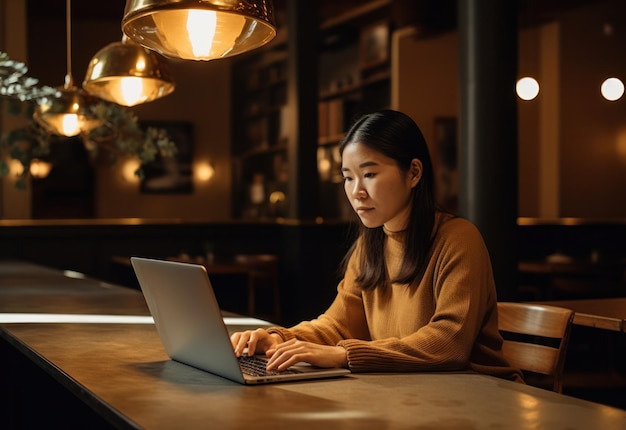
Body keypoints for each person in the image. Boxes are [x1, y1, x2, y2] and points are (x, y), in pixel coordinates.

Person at [231, 109, 523, 383]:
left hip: (481, 398)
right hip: (414, 396)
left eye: (369, 174)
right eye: (348, 177)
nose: (356, 191)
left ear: (414, 173)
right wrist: (278, 338)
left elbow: (450, 341)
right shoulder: (371, 243)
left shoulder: (458, 238)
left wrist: (345, 355)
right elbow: (338, 325)